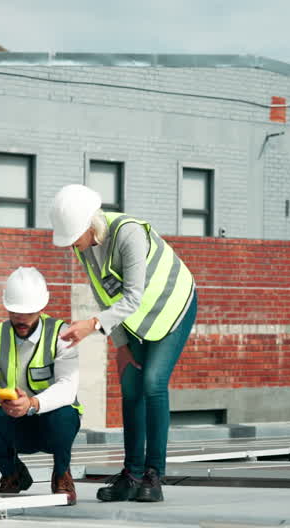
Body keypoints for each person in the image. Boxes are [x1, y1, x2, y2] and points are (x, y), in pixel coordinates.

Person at [49, 184, 198, 503]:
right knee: (130, 385)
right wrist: (121, 344)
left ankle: (154, 475)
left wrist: (91, 326)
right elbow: (103, 293)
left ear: (90, 225)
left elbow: (133, 296)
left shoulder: (128, 234)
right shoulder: (84, 246)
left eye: (74, 235)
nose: (71, 244)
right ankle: (131, 474)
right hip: (136, 318)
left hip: (173, 306)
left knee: (153, 382)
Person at [0, 267, 82, 506]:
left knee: (66, 413)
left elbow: (68, 387)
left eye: (28, 312)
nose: (21, 318)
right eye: (15, 311)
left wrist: (32, 404)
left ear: (41, 308)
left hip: (49, 422)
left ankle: (62, 474)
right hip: (13, 422)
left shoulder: (61, 334)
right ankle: (13, 473)